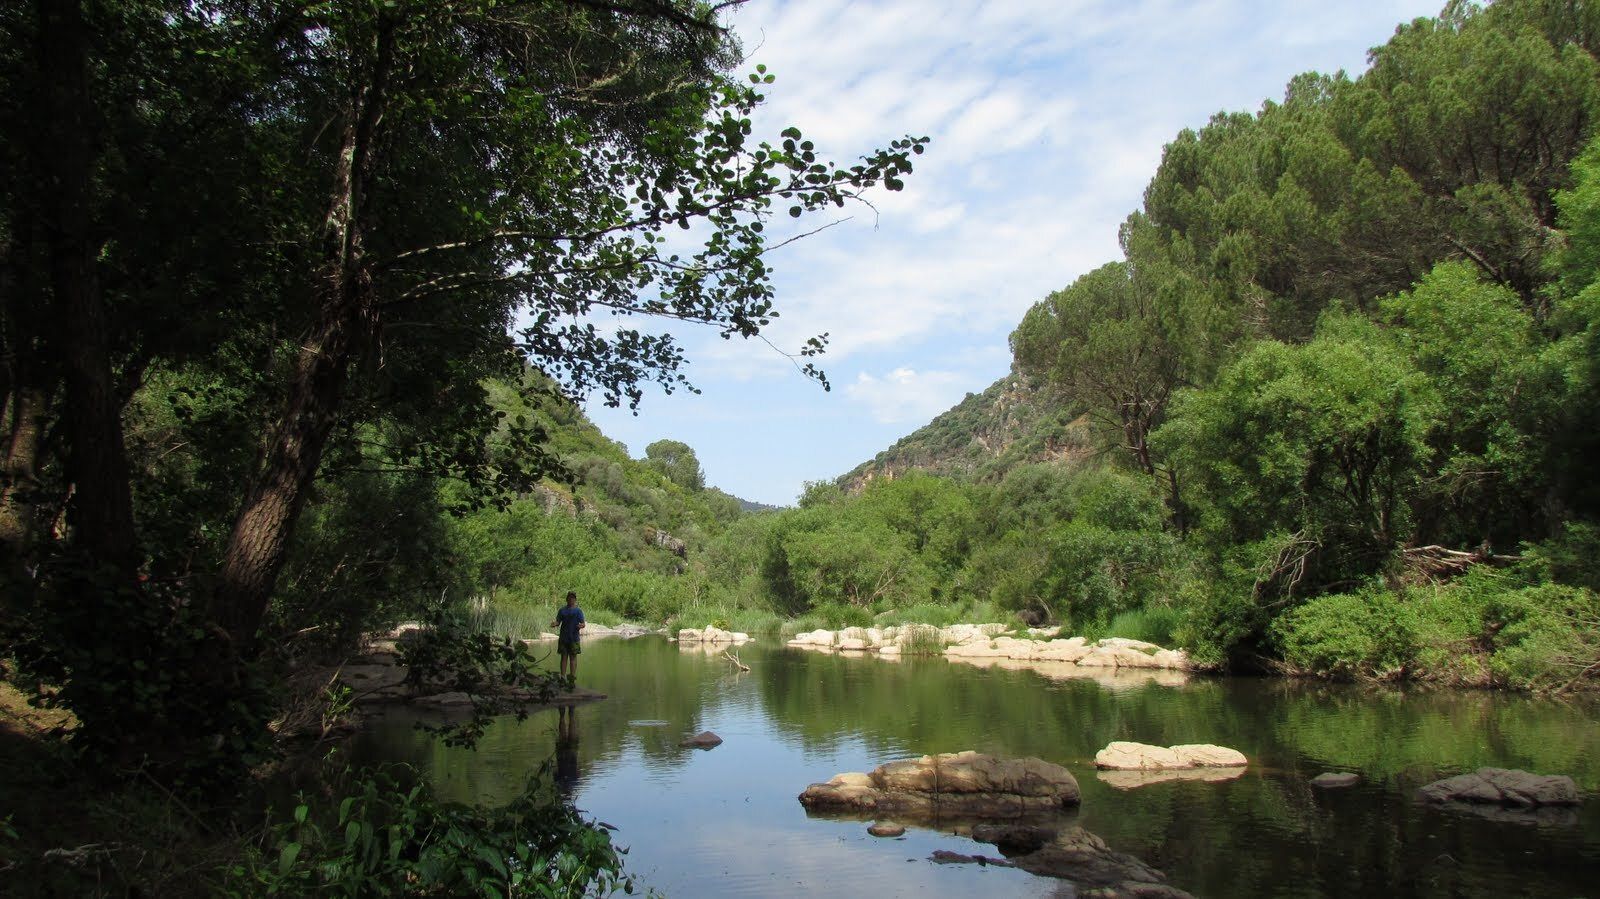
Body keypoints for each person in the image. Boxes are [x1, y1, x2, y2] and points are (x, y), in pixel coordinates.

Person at [551, 590, 585, 686]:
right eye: (570, 597)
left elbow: (583, 623)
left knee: (573, 658)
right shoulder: (562, 610)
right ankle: (563, 678)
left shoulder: (578, 611)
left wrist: (580, 626)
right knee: (563, 658)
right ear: (567, 599)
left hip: (574, 638)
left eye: (573, 598)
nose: (571, 599)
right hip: (563, 638)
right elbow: (558, 622)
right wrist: (554, 624)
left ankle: (572, 679)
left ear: (575, 599)